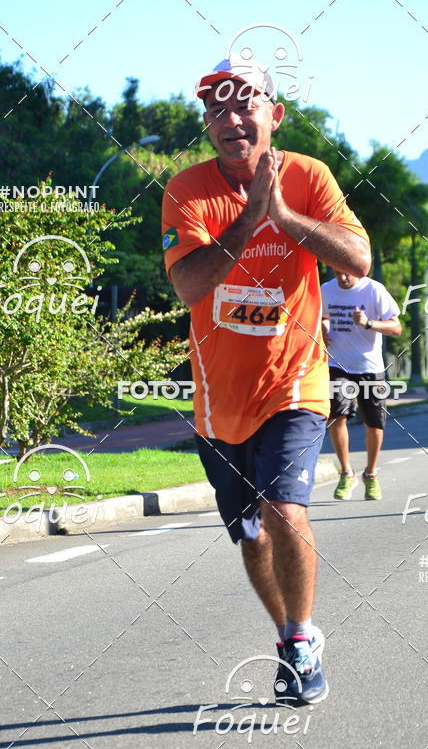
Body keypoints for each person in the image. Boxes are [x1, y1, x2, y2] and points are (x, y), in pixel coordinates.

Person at [161, 56, 371, 705]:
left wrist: (284, 214)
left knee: (285, 510)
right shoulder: (186, 190)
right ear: (206, 125)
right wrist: (252, 218)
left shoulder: (309, 177)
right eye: (216, 108)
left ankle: (303, 643)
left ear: (273, 115)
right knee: (251, 535)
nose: (230, 118)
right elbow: (190, 284)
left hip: (295, 382)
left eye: (244, 104)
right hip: (218, 402)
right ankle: (287, 633)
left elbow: (358, 259)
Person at [321, 269, 402, 501]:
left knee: (374, 423)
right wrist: (322, 328)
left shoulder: (374, 290)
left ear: (358, 270)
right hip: (338, 364)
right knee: (337, 415)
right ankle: (347, 473)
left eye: (346, 274)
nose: (342, 278)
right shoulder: (326, 290)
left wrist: (369, 323)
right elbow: (319, 316)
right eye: (337, 273)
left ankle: (371, 474)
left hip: (370, 366)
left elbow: (396, 327)